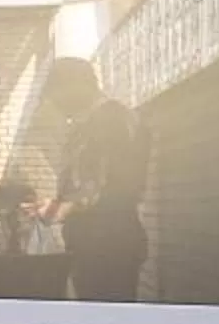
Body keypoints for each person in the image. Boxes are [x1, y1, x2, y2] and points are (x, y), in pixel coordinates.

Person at [28, 57, 148, 302]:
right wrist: (51, 207)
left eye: (57, 95)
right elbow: (85, 187)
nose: (58, 105)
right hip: (96, 243)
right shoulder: (91, 124)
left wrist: (58, 210)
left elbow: (104, 189)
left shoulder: (110, 118)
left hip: (107, 245)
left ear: (78, 85)